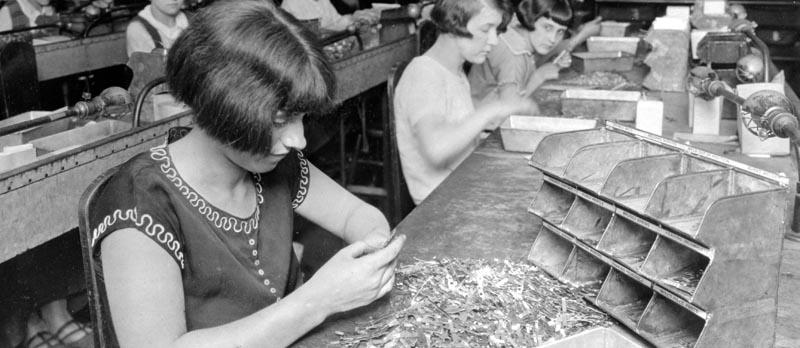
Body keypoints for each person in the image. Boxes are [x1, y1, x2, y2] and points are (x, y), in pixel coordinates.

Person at [89, 1, 404, 346]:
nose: (298, 140)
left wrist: (374, 251)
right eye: (281, 120)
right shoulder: (140, 202)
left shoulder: (274, 164)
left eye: (301, 118)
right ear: (222, 106)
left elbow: (354, 214)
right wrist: (318, 300)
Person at [393, 0, 537, 205]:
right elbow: (436, 148)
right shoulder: (423, 74)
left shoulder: (455, 72)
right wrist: (493, 110)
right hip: (440, 206)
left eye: (496, 30)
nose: (494, 40)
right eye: (486, 29)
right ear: (454, 24)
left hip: (463, 190)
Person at [468, 0, 601, 105]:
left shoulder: (514, 34)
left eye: (560, 31)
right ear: (531, 19)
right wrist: (540, 76)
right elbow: (509, 109)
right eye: (547, 27)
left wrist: (554, 65)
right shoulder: (514, 54)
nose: (552, 39)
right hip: (485, 133)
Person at [280, 0, 379, 33]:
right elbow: (314, 32)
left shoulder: (323, 1)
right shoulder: (291, 3)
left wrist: (355, 19)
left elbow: (337, 21)